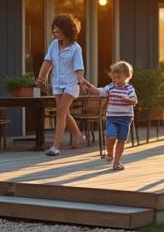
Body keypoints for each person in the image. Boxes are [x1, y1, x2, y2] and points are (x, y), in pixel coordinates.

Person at [36, 13, 86, 156]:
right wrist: (41, 78)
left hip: (71, 84)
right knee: (64, 112)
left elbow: (79, 68)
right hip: (57, 83)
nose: (55, 33)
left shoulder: (76, 48)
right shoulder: (53, 45)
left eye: (58, 31)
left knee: (60, 112)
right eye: (54, 31)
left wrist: (80, 80)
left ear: (68, 31)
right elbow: (47, 62)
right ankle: (79, 137)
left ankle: (55, 147)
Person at [80, 61, 137, 171]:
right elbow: (98, 91)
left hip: (125, 119)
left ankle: (117, 162)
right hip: (112, 118)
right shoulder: (111, 87)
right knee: (111, 137)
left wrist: (127, 100)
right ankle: (110, 152)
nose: (115, 80)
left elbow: (134, 101)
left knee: (121, 140)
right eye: (114, 77)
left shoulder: (129, 89)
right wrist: (87, 85)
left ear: (127, 76)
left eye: (118, 77)